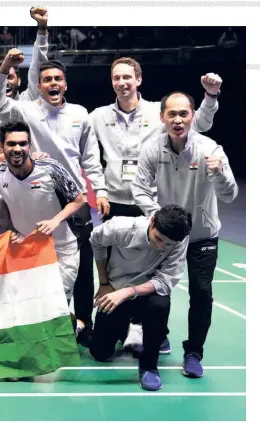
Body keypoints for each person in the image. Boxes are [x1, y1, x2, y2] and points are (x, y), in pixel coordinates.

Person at [88, 56, 222, 351]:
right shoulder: (98, 116)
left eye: (127, 77)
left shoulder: (157, 112)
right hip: (114, 201)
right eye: (116, 77)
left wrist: (210, 97)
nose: (122, 82)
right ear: (111, 82)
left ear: (139, 79)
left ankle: (148, 330)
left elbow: (198, 123)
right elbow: (87, 154)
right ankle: (117, 322)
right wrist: (98, 189)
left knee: (155, 265)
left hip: (151, 205)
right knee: (119, 267)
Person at [0, 57, 107, 346]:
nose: (53, 83)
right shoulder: (25, 110)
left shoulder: (81, 114)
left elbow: (90, 157)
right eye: (47, 80)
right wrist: (3, 69)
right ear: (38, 86)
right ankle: (52, 323)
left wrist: (100, 191)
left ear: (65, 84)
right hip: (41, 193)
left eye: (58, 79)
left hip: (75, 199)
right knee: (43, 267)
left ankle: (83, 324)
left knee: (81, 266)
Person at [131, 91, 238, 379]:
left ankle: (193, 352)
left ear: (192, 116)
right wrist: (158, 218)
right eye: (172, 114)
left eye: (184, 114)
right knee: (158, 292)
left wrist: (219, 174)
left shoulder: (210, 149)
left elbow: (230, 195)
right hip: (167, 235)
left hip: (203, 235)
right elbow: (139, 188)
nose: (178, 119)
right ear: (162, 116)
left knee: (201, 293)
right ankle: (158, 336)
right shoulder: (152, 149)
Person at [0, 119, 86, 302]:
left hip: (61, 248)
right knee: (34, 308)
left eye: (22, 143)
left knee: (58, 307)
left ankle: (77, 326)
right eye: (11, 144)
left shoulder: (51, 168)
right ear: (2, 147)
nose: (17, 148)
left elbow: (79, 200)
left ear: (30, 146)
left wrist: (54, 221)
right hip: (27, 248)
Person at [89, 205, 192, 391]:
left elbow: (165, 280)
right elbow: (96, 240)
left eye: (167, 244)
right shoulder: (121, 227)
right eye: (158, 239)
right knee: (100, 353)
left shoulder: (179, 239)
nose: (161, 246)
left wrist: (129, 292)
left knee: (160, 305)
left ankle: (149, 366)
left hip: (147, 292)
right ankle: (129, 327)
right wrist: (104, 283)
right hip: (115, 288)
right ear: (152, 222)